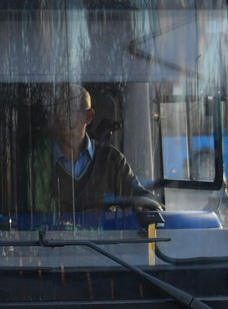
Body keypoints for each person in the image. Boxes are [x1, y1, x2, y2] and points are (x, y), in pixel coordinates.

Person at [28, 85, 149, 218]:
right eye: (57, 108)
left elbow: (144, 200)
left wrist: (148, 206)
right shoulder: (37, 162)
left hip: (106, 238)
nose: (60, 114)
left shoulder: (112, 160)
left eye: (68, 108)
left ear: (88, 116)